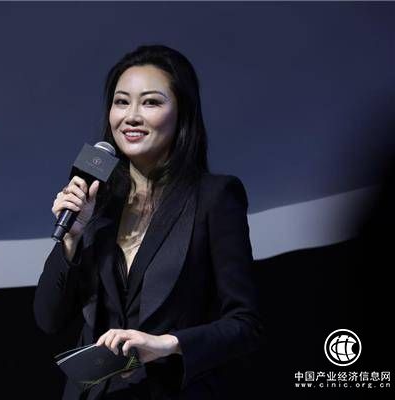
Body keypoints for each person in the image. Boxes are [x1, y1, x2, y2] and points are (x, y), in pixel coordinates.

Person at [34, 45, 264, 400]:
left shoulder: (214, 197)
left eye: (151, 102)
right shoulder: (96, 203)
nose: (131, 116)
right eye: (121, 102)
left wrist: (166, 344)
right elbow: (48, 319)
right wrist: (71, 238)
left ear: (182, 112)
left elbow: (245, 326)